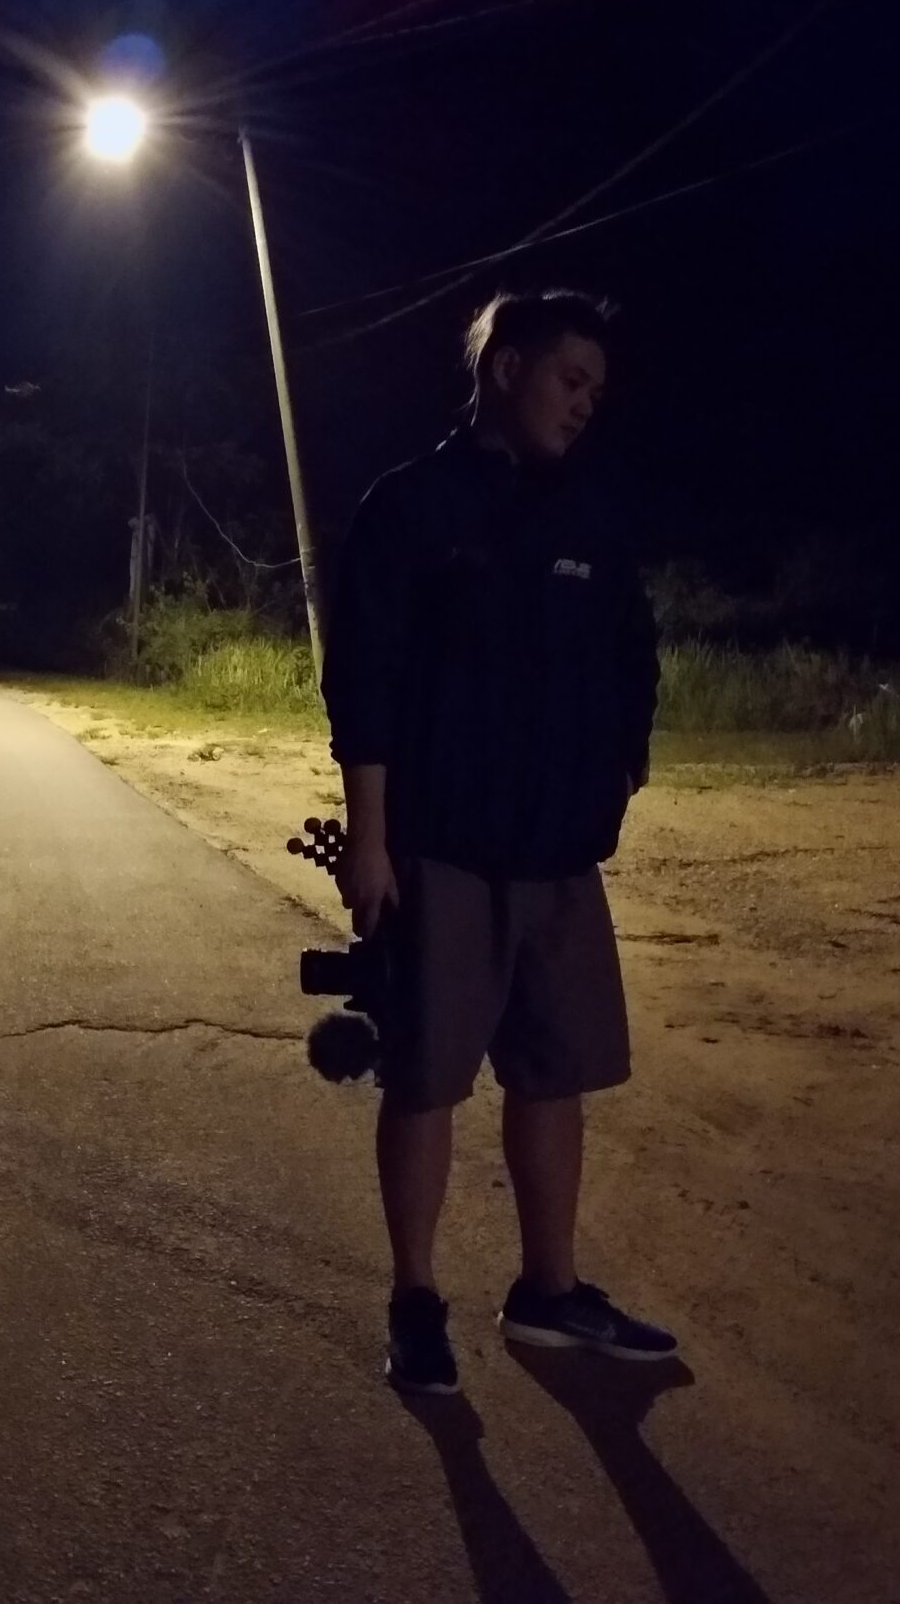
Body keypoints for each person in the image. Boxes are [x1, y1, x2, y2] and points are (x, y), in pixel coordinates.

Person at [320, 288, 674, 1397]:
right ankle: (416, 1300)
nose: (584, 404)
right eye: (570, 379)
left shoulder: (590, 518)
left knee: (554, 1071)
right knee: (426, 1077)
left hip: (560, 854)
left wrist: (622, 764)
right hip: (444, 850)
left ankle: (548, 1290)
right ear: (506, 367)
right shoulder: (411, 507)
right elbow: (363, 683)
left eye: (596, 391)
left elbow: (633, 650)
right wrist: (370, 841)